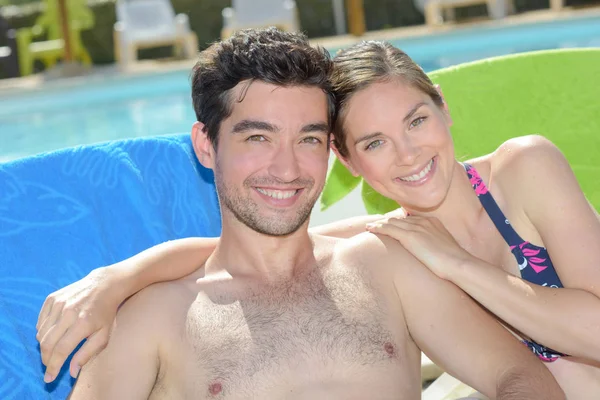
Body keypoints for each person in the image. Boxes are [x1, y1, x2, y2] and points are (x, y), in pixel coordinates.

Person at [43, 31, 570, 398]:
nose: (287, 168)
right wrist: (118, 279)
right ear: (206, 145)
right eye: (257, 138)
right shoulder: (151, 318)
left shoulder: (386, 266)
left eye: (309, 139)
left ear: (331, 153)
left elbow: (521, 377)